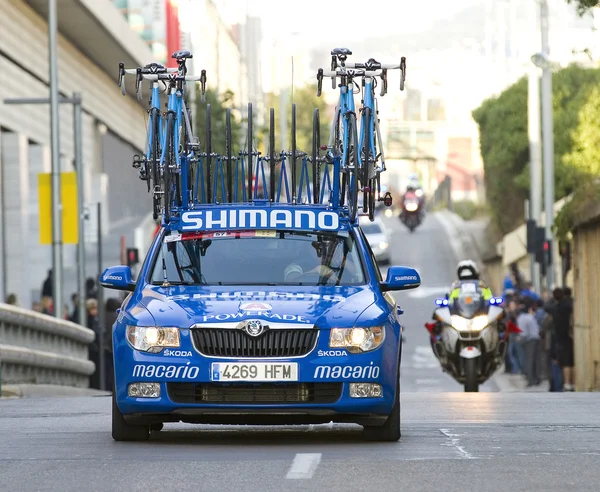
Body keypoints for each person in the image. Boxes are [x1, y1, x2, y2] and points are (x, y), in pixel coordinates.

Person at [517, 296, 542, 387]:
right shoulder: (531, 317)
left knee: (529, 360)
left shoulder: (521, 319)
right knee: (536, 360)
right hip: (536, 338)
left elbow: (524, 334)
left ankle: (530, 380)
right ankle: (537, 378)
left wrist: (519, 340)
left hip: (529, 341)